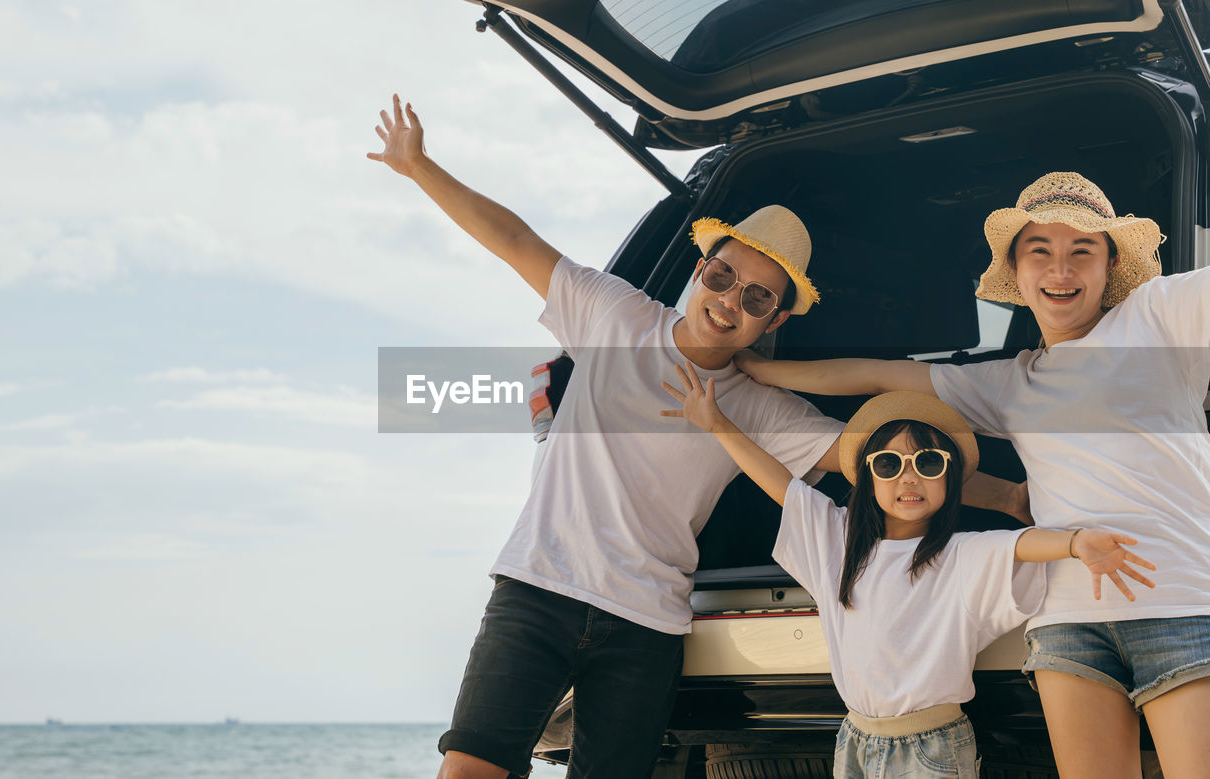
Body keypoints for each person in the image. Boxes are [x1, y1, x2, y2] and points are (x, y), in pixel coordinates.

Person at [367, 94, 1027, 779]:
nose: (730, 300)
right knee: (470, 768)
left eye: (756, 297)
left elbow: (880, 464)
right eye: (723, 276)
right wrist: (419, 166)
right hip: (538, 593)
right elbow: (515, 240)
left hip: (647, 625)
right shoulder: (614, 316)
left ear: (770, 320)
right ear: (699, 269)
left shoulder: (759, 406)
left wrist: (1009, 498)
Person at [732, 171, 1210, 778]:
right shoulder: (1012, 381)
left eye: (1081, 251)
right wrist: (756, 370)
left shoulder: (1158, 317)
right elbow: (882, 377)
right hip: (1069, 622)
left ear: (1109, 265)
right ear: (1017, 268)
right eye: (1041, 252)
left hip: (1180, 605)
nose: (1060, 271)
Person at [662, 378, 1156, 777]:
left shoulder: (960, 555)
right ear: (868, 476)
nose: (908, 477)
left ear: (950, 475)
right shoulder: (835, 542)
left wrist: (1074, 543)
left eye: (927, 462)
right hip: (854, 738)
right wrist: (717, 424)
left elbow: (1020, 545)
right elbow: (777, 481)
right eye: (889, 464)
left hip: (932, 749)